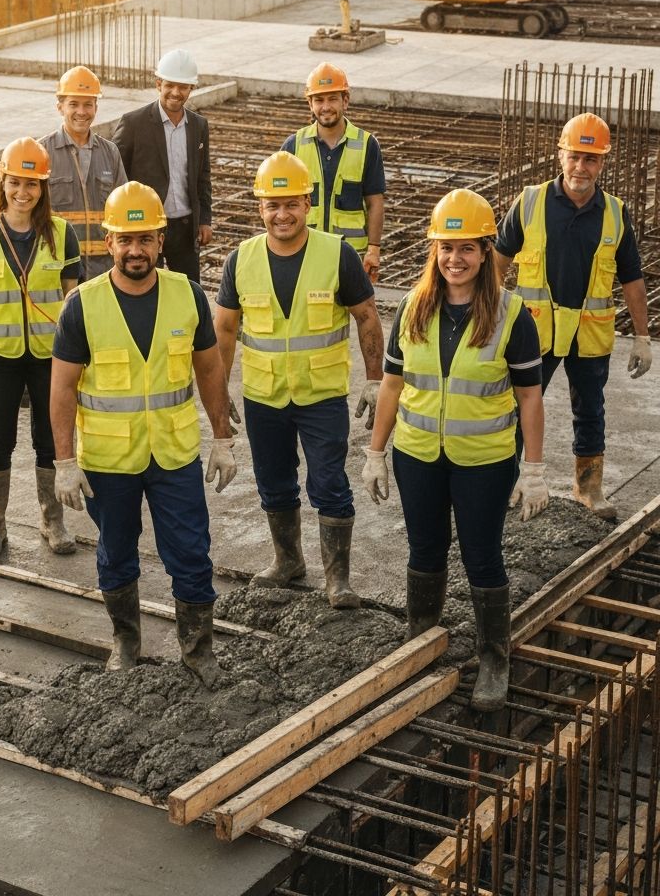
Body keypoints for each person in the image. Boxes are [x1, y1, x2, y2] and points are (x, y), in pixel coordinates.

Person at [361, 189, 548, 712]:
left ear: (487, 251)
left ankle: (494, 656)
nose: (454, 259)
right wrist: (376, 452)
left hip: (484, 462)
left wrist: (533, 468)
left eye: (466, 248)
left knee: (481, 555)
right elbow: (393, 386)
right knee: (425, 548)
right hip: (418, 455)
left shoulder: (513, 317)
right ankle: (422, 639)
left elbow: (530, 396)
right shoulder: (414, 308)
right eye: (446, 247)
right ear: (434, 250)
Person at [50, 181, 236, 688]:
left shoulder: (186, 294)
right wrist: (63, 462)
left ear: (160, 241)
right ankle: (125, 642)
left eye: (146, 239)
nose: (136, 250)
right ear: (108, 242)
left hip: (173, 454)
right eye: (125, 239)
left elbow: (210, 370)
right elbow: (63, 389)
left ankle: (198, 652)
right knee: (116, 552)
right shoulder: (81, 306)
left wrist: (222, 436)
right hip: (110, 462)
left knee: (192, 552)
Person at [213, 152, 384, 607]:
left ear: (307, 203)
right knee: (274, 481)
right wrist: (220, 390)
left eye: (291, 204)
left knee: (329, 482)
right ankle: (288, 561)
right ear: (260, 208)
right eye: (272, 205)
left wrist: (374, 380)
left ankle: (338, 580)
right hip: (264, 396)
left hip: (321, 395)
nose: (282, 214)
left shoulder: (336, 253)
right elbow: (225, 330)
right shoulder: (241, 260)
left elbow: (366, 316)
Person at [494, 112, 651, 520]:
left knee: (591, 410)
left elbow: (632, 279)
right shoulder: (530, 201)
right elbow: (497, 262)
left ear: (603, 163)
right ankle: (508, 479)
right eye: (575, 157)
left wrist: (642, 336)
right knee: (517, 406)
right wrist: (489, 319)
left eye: (591, 159)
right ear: (560, 155)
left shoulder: (615, 212)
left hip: (588, 334)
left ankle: (588, 487)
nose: (581, 167)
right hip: (534, 331)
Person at [0, 137, 81, 558]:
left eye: (32, 184)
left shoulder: (62, 234)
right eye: (15, 183)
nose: (22, 193)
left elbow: (73, 298)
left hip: (51, 356)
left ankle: (53, 520)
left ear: (44, 187)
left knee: (50, 439)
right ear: (2, 182)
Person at [112, 49, 213, 282]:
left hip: (185, 227)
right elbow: (116, 175)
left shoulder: (198, 126)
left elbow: (203, 177)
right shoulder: (133, 123)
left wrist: (205, 219)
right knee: (145, 287)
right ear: (158, 83)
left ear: (191, 89)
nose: (176, 93)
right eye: (170, 85)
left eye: (183, 87)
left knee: (187, 290)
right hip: (146, 226)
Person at [281, 62, 386, 282]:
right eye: (319, 100)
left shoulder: (367, 144)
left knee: (346, 313)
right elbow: (280, 201)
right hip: (305, 249)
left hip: (350, 254)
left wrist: (374, 249)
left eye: (332, 99)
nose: (325, 106)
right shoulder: (294, 145)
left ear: (345, 101)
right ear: (310, 104)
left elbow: (375, 202)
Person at [39, 65, 127, 280]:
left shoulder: (110, 152)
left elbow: (123, 211)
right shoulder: (42, 152)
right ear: (60, 107)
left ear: (96, 107)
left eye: (88, 104)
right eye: (73, 104)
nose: (81, 112)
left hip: (103, 270)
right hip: (59, 267)